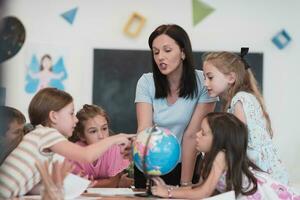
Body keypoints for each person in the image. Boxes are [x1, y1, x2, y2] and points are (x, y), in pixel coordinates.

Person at [0, 88, 134, 198]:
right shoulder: (45, 134)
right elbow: (86, 155)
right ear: (54, 116)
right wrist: (115, 138)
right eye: (71, 114)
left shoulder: (48, 146)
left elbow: (38, 186)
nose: (75, 120)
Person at [135, 24, 217, 187]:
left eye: (167, 50)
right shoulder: (146, 82)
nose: (160, 57)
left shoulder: (203, 82)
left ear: (183, 53)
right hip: (151, 165)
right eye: (156, 52)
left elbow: (192, 135)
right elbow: (144, 130)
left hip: (187, 164)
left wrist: (185, 184)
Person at [151, 112, 300, 199]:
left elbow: (204, 192)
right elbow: (201, 188)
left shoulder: (220, 156)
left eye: (203, 133)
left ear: (219, 139)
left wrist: (168, 193)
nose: (197, 135)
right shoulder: (210, 158)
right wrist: (171, 189)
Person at [202, 48, 289, 184]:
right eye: (204, 78)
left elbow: (238, 141)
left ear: (231, 78)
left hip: (264, 174)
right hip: (260, 170)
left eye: (210, 77)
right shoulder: (237, 100)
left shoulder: (240, 100)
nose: (205, 83)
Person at [69, 104, 133, 188]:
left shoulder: (115, 150)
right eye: (93, 131)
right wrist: (111, 183)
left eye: (104, 129)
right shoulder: (76, 152)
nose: (101, 136)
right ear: (82, 136)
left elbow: (112, 183)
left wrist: (87, 184)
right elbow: (76, 185)